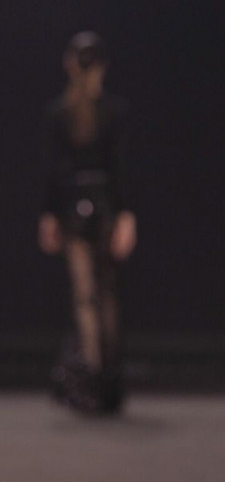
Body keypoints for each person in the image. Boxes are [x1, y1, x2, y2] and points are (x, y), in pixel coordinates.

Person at [39, 32, 136, 414]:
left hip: (72, 206)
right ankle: (108, 379)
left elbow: (53, 170)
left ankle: (94, 377)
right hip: (106, 204)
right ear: (103, 67)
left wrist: (49, 213)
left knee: (85, 296)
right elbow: (121, 168)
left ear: (69, 65)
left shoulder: (59, 113)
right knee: (106, 294)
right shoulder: (114, 111)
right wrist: (126, 213)